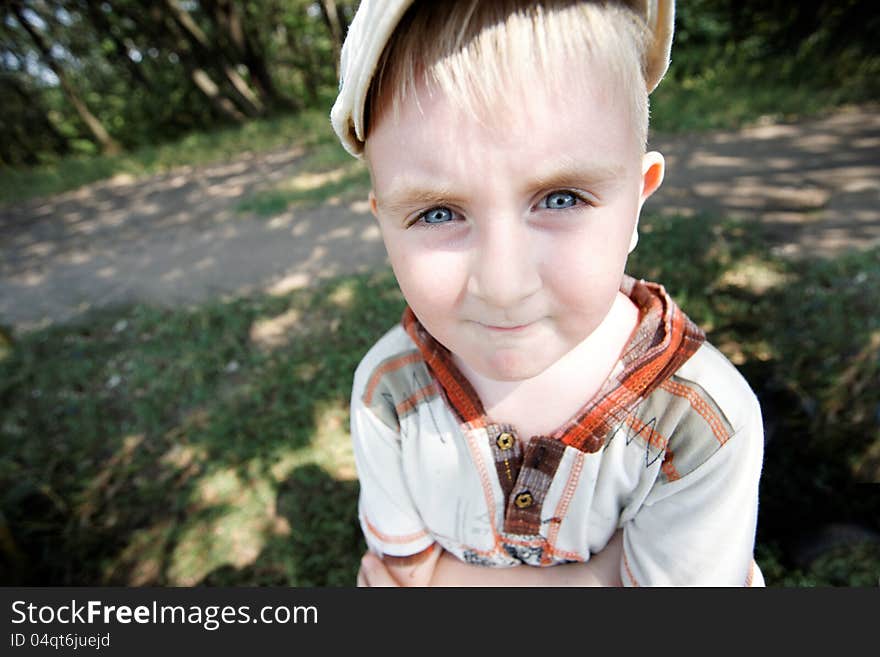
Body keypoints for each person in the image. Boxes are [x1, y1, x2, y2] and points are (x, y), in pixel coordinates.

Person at [331, 0, 765, 586]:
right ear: (384, 222)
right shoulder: (389, 393)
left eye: (561, 199)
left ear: (638, 201)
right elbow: (399, 576)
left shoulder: (700, 423)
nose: (504, 286)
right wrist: (604, 579)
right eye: (438, 212)